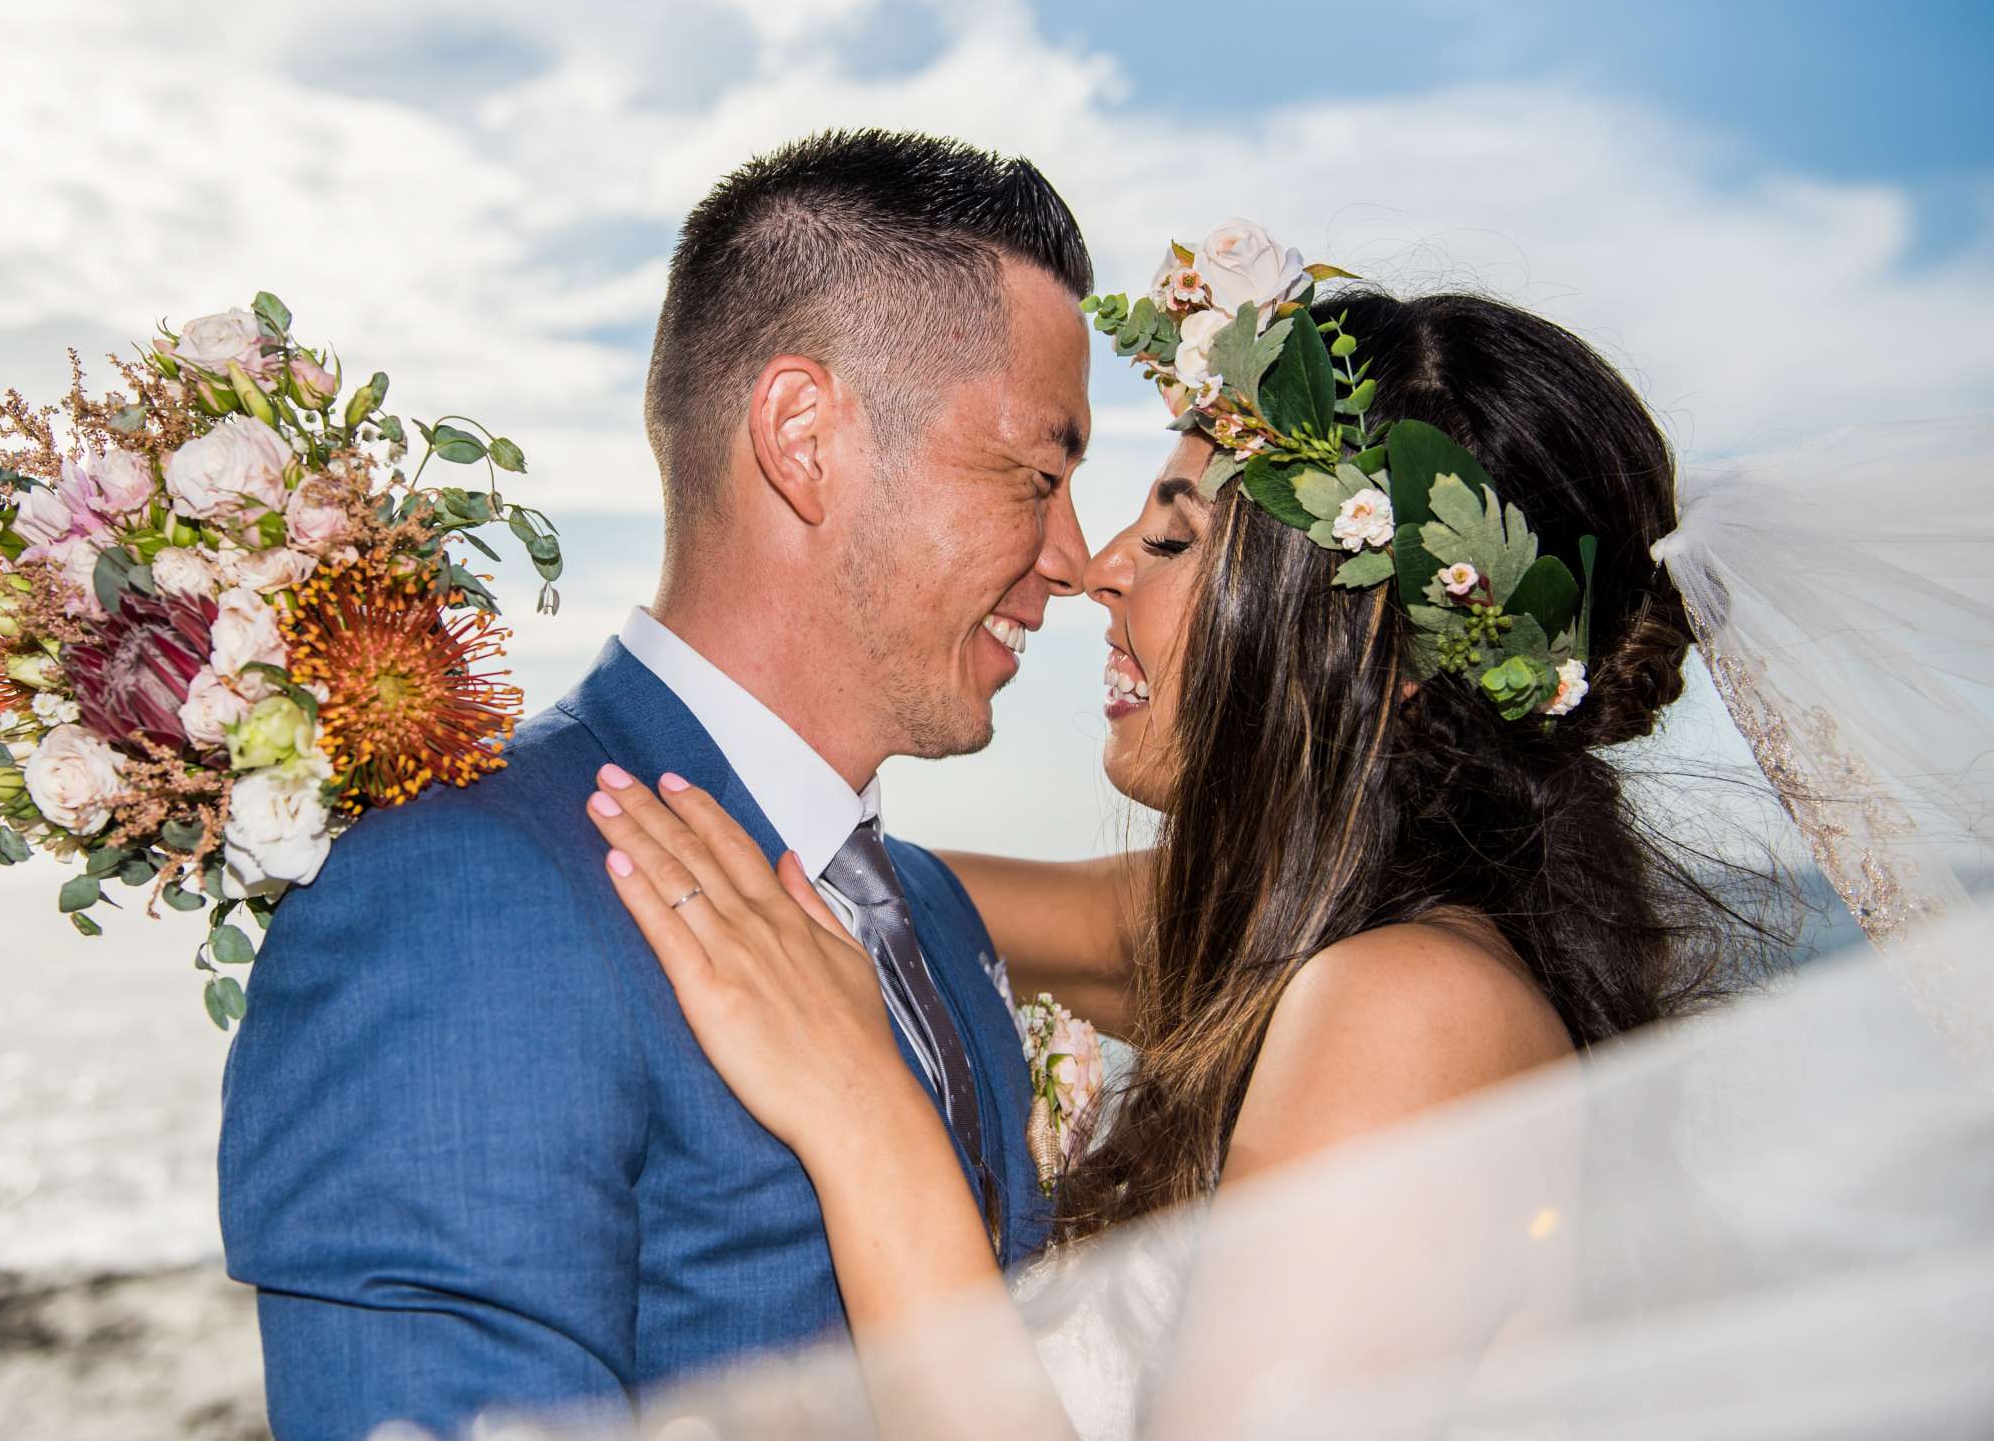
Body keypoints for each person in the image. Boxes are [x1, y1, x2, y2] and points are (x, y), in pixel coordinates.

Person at [580, 270, 1795, 1420]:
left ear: (1370, 642)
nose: (1095, 571)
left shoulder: (1415, 1008)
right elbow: (858, 891)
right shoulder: (1265, 929)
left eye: (1170, 542)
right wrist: (437, 778)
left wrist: (867, 1118)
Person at [217, 129, 1099, 1440]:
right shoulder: (461, 893)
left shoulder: (933, 912)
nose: (1074, 556)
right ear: (804, 434)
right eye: (1035, 473)